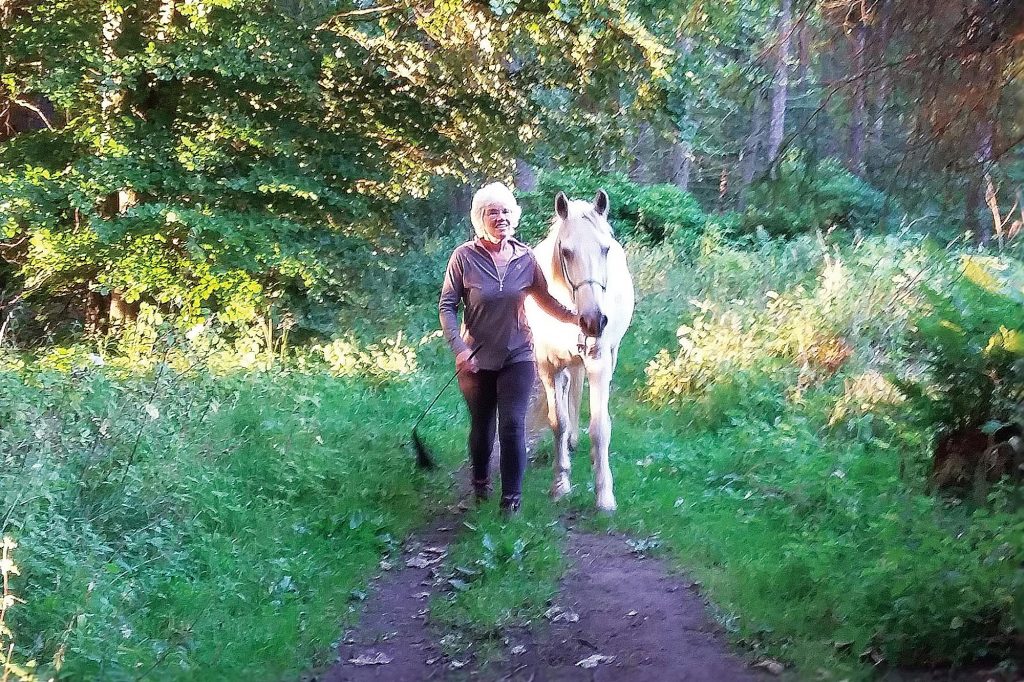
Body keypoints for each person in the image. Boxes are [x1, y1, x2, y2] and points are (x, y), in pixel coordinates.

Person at [439, 182, 580, 516]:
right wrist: (458, 348)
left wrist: (576, 318)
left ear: (514, 216)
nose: (500, 217)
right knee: (482, 425)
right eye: (492, 212)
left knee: (513, 425)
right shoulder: (464, 257)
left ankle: (511, 501)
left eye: (505, 211)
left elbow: (545, 300)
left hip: (517, 354)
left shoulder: (525, 258)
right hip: (475, 358)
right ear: (480, 219)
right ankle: (480, 484)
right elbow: (447, 305)